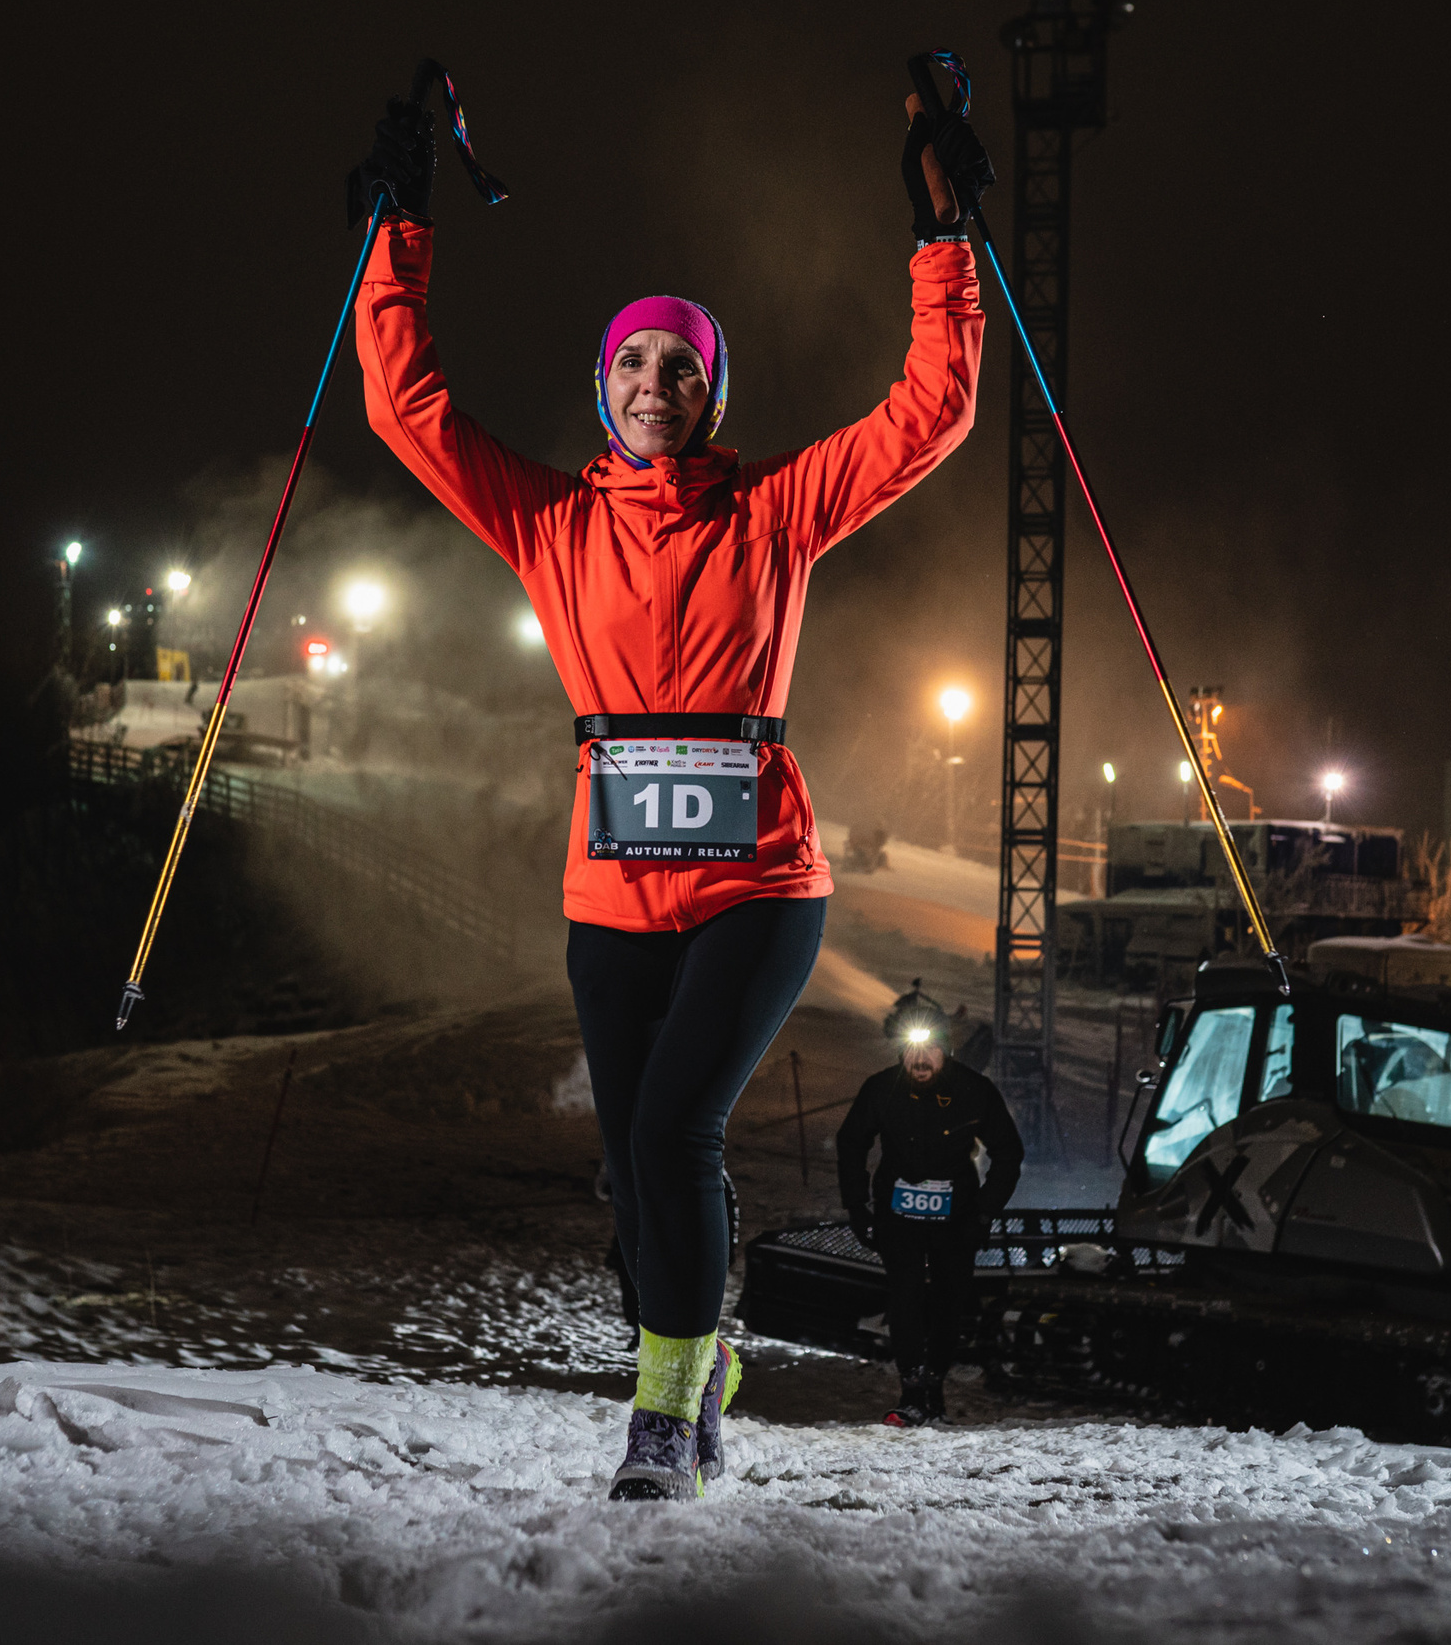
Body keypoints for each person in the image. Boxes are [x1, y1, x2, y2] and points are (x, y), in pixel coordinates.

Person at [347, 78, 991, 1499]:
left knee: (670, 1128)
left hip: (760, 885)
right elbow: (407, 408)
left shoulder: (777, 512)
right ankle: (701, 1355)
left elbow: (931, 412)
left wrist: (942, 238)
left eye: (681, 371)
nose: (656, 387)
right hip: (613, 889)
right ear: (605, 389)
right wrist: (401, 228)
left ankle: (661, 1414)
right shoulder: (553, 523)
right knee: (635, 1177)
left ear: (712, 396)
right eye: (634, 367)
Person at [837, 981, 1023, 1427]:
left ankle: (933, 1387)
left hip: (956, 1216)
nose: (920, 1062)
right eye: (912, 1052)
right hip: (897, 1213)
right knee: (903, 1298)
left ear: (945, 1051)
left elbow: (1009, 1153)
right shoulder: (881, 1089)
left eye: (930, 1052)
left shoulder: (974, 1091)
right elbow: (851, 1144)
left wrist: (983, 1214)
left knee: (948, 1301)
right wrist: (858, 1208)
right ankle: (911, 1390)